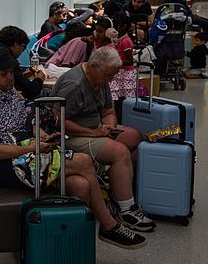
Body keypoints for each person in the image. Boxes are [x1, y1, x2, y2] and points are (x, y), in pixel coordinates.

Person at [0, 45, 147, 259]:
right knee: (84, 162)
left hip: (25, 152)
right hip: (2, 166)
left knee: (81, 184)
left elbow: (26, 119)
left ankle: (77, 254)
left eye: (12, 73)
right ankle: (109, 226)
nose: (11, 78)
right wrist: (33, 147)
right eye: (4, 74)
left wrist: (40, 135)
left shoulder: (10, 94)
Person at [49, 46, 156, 233]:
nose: (111, 80)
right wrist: (94, 133)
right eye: (108, 76)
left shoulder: (101, 79)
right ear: (93, 66)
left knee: (134, 137)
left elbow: (108, 111)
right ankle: (126, 209)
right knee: (120, 152)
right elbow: (57, 121)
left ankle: (118, 191)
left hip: (94, 129)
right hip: (71, 135)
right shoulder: (74, 84)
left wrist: (110, 128)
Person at [0, 25, 47, 101]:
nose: (10, 77)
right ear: (16, 44)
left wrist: (21, 76)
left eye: (12, 73)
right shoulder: (6, 59)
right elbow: (31, 91)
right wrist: (39, 79)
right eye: (23, 46)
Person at [110, 12, 137, 120]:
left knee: (121, 99)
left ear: (123, 26)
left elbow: (129, 61)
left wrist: (115, 61)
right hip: (119, 72)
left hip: (124, 73)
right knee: (117, 99)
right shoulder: (119, 40)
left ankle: (122, 119)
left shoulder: (126, 41)